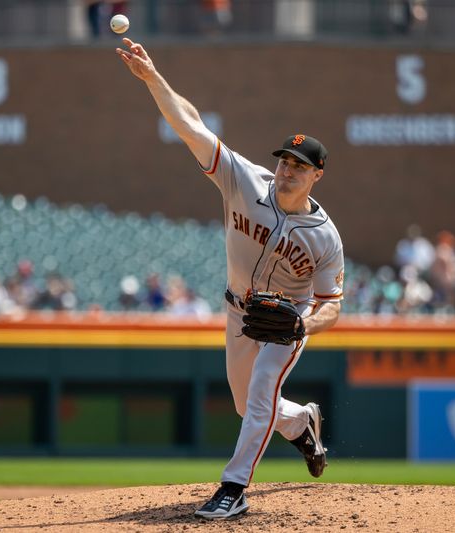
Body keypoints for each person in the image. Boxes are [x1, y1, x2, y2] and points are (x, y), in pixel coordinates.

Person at [116, 38, 345, 519]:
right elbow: (189, 124)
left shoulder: (325, 238)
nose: (287, 169)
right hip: (238, 311)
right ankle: (302, 422)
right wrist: (152, 77)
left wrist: (304, 327)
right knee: (249, 406)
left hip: (288, 322)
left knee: (261, 390)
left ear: (317, 175)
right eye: (284, 160)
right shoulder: (244, 179)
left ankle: (233, 488)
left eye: (299, 166)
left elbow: (332, 304)